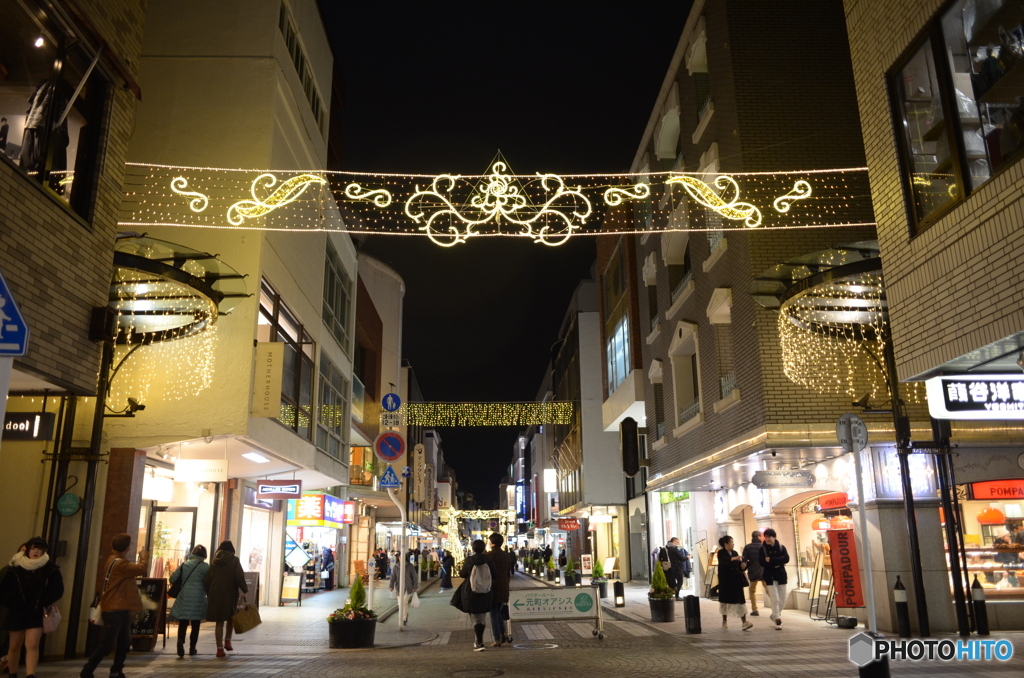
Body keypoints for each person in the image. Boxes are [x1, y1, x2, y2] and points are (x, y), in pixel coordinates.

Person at [81, 533, 148, 678]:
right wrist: (144, 555)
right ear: (127, 547)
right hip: (114, 608)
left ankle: (116, 671)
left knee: (124, 642)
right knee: (107, 644)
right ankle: (87, 670)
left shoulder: (113, 559)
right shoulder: (120, 563)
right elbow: (141, 569)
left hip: (118, 607)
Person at [1, 537, 63, 678]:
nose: (36, 551)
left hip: (35, 611)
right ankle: (13, 673)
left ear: (44, 551)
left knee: (32, 644)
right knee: (14, 646)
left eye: (40, 549)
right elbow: (4, 589)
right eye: (33, 548)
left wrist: (43, 599)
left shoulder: (50, 569)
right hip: (17, 610)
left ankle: (30, 675)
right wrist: (12, 601)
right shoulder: (15, 568)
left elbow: (57, 589)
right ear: (28, 550)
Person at [204, 541, 247, 657]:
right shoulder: (234, 560)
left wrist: (208, 591)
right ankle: (228, 640)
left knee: (219, 621)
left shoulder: (214, 561)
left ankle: (219, 649)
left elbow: (208, 578)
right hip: (230, 593)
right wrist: (245, 589)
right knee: (231, 617)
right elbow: (239, 576)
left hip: (215, 593)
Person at [168, 545, 209, 658]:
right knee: (195, 624)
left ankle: (180, 641)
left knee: (183, 622)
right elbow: (209, 582)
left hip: (184, 597)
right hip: (199, 598)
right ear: (204, 556)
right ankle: (192, 648)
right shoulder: (206, 567)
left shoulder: (184, 565)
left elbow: (172, 579)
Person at [459, 540, 496, 651]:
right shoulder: (489, 560)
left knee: (475, 618)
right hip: (486, 591)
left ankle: (479, 643)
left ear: (473, 548)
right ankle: (478, 641)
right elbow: (495, 574)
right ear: (484, 548)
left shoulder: (470, 560)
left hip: (472, 592)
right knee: (482, 617)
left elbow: (462, 574)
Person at [716, 535, 752, 631]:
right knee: (725, 601)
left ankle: (744, 622)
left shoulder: (735, 552)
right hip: (725, 581)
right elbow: (724, 562)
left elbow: (740, 567)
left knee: (740, 601)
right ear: (726, 544)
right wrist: (735, 558)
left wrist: (743, 565)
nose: (733, 544)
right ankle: (724, 621)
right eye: (731, 542)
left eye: (733, 542)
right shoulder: (721, 553)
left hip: (736, 580)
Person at [759, 528, 790, 630]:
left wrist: (771, 560)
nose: (767, 539)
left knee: (783, 600)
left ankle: (774, 615)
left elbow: (786, 559)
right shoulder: (762, 549)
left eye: (770, 537)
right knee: (774, 598)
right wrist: (778, 561)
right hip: (769, 576)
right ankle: (777, 619)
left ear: (774, 537)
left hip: (781, 574)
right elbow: (762, 562)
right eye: (766, 537)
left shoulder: (781, 547)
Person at [486, 534, 511, 647]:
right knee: (498, 611)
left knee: (493, 613)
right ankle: (503, 633)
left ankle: (497, 639)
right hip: (504, 585)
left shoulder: (489, 555)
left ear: (493, 543)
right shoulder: (506, 555)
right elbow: (508, 572)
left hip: (493, 586)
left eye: (489, 541)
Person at [389, 551, 417, 625]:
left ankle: (403, 618)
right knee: (400, 603)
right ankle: (403, 616)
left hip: (408, 587)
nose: (402, 558)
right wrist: (391, 586)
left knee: (404, 602)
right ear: (398, 558)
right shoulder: (396, 567)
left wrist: (415, 586)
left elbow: (414, 576)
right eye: (400, 557)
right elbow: (392, 577)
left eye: (403, 557)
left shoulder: (410, 566)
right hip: (398, 588)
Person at [742, 531, 764, 616]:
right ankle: (776, 608)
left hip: (753, 570)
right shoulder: (763, 546)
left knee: (752, 591)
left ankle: (755, 610)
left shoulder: (747, 547)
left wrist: (744, 569)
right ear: (758, 537)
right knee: (769, 590)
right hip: (763, 571)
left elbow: (744, 560)